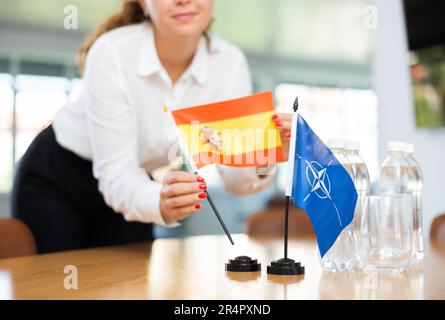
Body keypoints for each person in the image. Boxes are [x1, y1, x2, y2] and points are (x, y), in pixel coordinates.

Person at [11, 0, 292, 253]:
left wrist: (265, 153)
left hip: (136, 182)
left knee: (128, 285)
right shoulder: (112, 52)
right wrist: (162, 200)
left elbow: (237, 179)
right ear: (144, 4)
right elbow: (116, 173)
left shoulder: (229, 64)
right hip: (59, 176)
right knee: (56, 287)